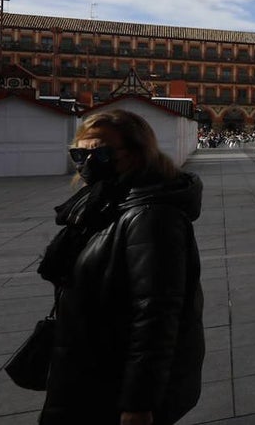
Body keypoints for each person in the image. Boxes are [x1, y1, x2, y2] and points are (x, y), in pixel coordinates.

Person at [39, 110, 204, 425]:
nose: (87, 161)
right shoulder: (106, 202)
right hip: (91, 368)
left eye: (100, 152)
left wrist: (139, 402)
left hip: (112, 384)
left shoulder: (151, 216)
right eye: (79, 153)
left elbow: (156, 314)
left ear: (135, 153)